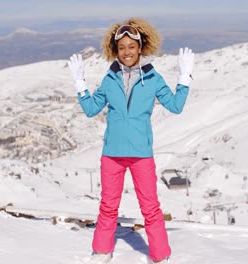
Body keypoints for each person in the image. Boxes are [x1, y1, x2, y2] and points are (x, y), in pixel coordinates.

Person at [67, 17, 194, 264]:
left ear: (140, 47)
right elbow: (92, 108)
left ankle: (159, 255)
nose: (126, 52)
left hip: (141, 154)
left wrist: (185, 77)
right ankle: (103, 251)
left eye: (131, 46)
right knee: (107, 206)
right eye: (121, 47)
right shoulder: (110, 78)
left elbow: (175, 106)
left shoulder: (153, 78)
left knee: (150, 208)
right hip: (111, 154)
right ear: (115, 50)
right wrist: (79, 83)